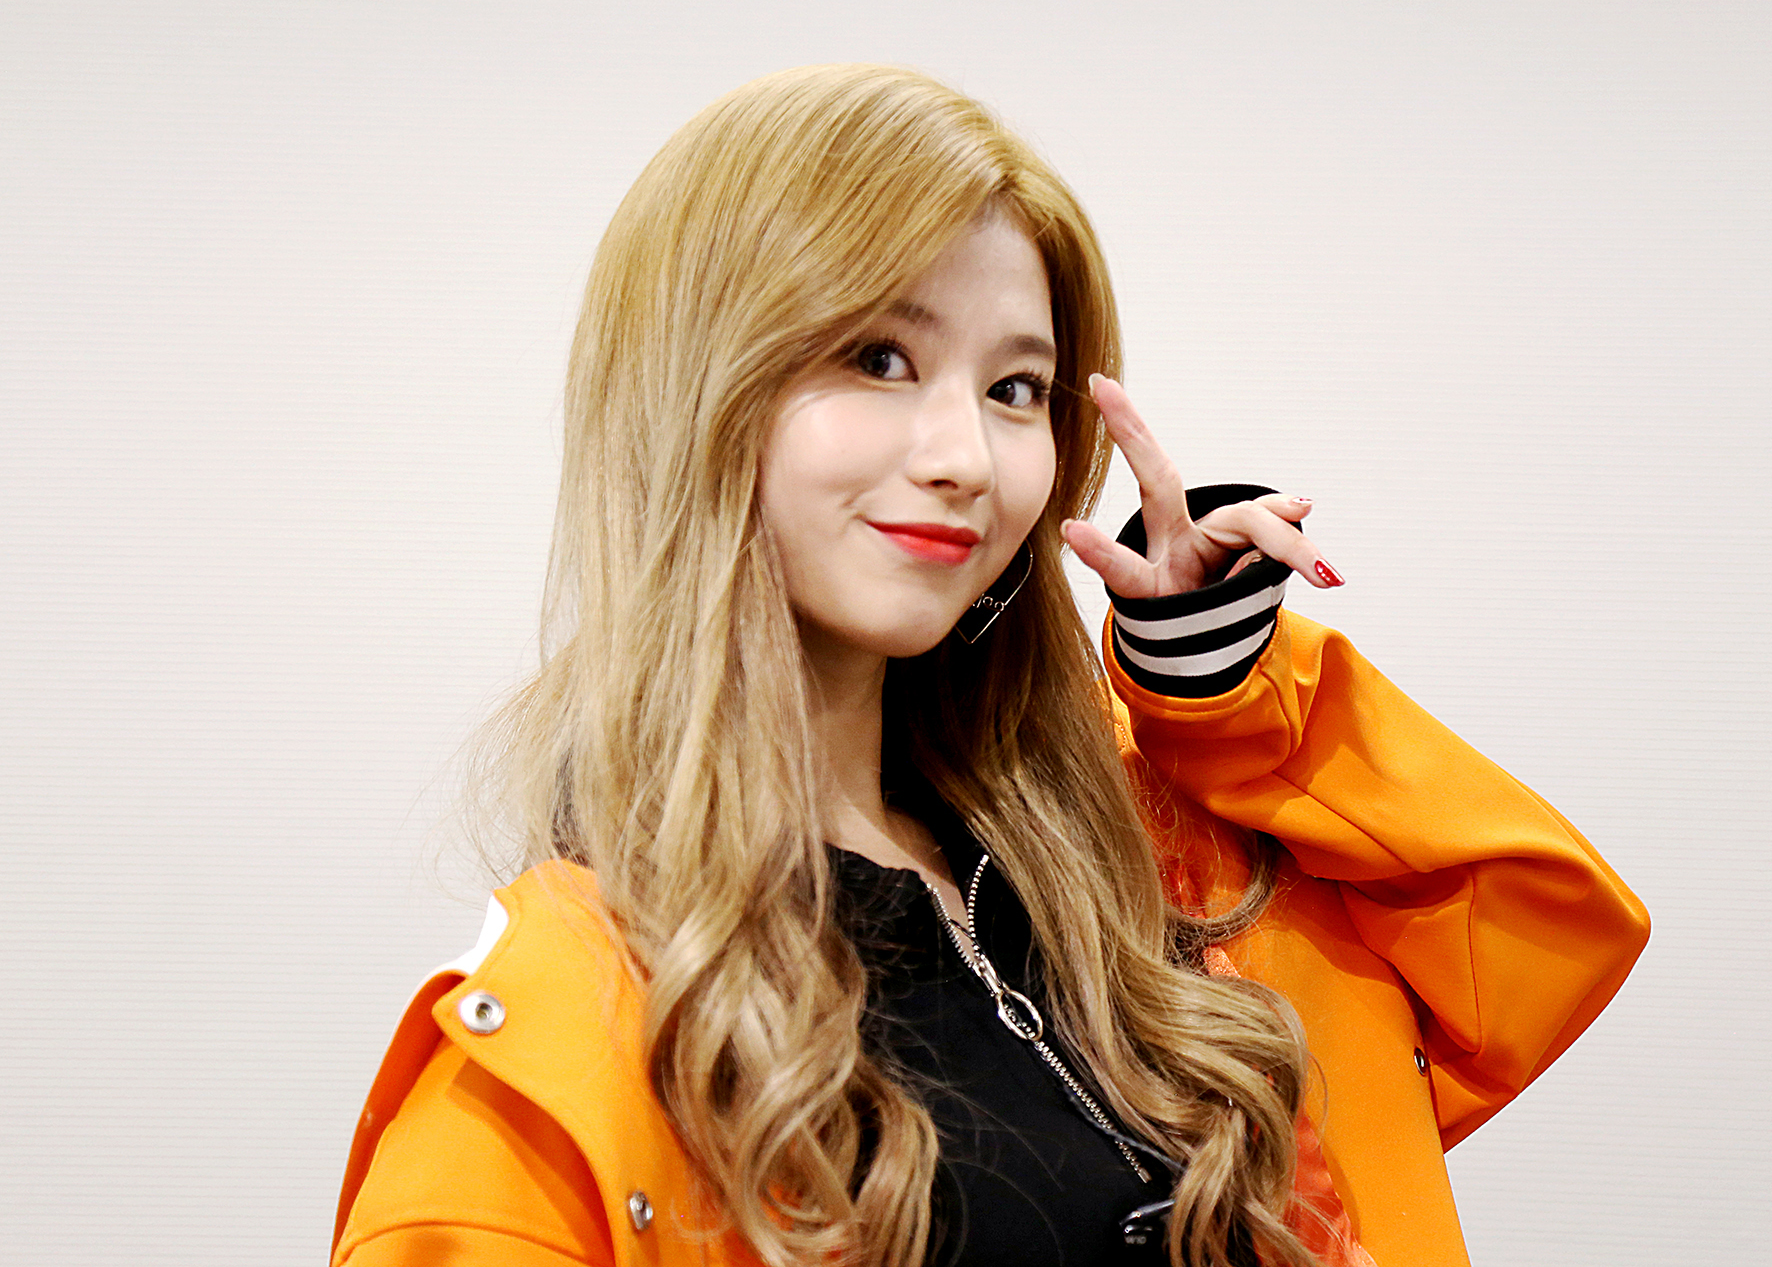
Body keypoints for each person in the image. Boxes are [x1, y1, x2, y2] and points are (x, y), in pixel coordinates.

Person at [330, 64, 1650, 1267]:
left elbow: (1531, 943)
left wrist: (1215, 701)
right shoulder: (558, 1048)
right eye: (880, 358)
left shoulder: (1115, 866)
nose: (967, 457)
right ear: (696, 388)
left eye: (1016, 388)